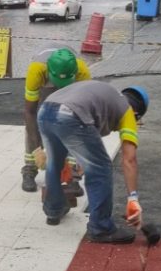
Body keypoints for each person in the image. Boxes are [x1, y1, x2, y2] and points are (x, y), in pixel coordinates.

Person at [37, 79, 149, 241]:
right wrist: (133, 198)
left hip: (45, 110)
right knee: (101, 168)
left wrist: (82, 160)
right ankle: (101, 228)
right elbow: (129, 159)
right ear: (136, 113)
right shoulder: (127, 111)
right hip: (70, 114)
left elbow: (84, 135)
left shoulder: (108, 97)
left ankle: (54, 210)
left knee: (54, 162)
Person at [22, 47, 91, 192]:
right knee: (37, 121)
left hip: (72, 87)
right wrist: (36, 150)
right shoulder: (36, 71)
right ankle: (30, 168)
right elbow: (30, 112)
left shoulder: (82, 72)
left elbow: (83, 115)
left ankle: (72, 174)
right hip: (45, 86)